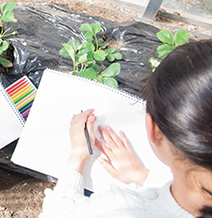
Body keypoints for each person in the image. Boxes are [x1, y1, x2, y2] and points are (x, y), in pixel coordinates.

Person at [39, 39, 212, 218]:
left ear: (154, 130)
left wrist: (77, 155)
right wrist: (142, 176)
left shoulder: (122, 209)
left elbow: (56, 213)